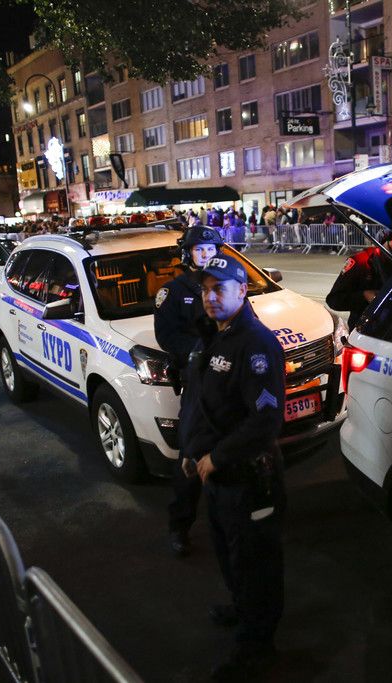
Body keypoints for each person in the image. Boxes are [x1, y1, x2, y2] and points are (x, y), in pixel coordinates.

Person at [179, 255, 286, 681]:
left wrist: (217, 457)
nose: (210, 297)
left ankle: (257, 646)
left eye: (219, 288)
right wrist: (191, 451)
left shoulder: (255, 344)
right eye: (205, 289)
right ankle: (243, 610)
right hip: (218, 475)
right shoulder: (213, 336)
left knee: (256, 564)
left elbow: (265, 420)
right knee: (230, 555)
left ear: (242, 290)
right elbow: (201, 404)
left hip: (248, 476)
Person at [154, 226, 224, 557]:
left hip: (228, 381)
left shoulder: (229, 285)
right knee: (191, 454)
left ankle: (234, 520)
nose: (206, 255)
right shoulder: (173, 291)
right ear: (188, 254)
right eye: (199, 250)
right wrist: (199, 350)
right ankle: (180, 526)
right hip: (198, 381)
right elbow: (167, 336)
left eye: (211, 250)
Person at [326, 232, 392, 330]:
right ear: (390, 236)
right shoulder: (361, 261)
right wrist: (364, 296)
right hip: (365, 330)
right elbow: (334, 300)